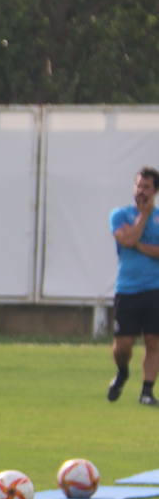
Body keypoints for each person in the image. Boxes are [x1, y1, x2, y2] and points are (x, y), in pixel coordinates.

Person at [106, 167, 159, 405]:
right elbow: (125, 239)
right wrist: (143, 217)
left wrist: (136, 244)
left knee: (153, 341)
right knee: (123, 345)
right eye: (138, 186)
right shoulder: (119, 214)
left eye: (147, 187)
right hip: (127, 289)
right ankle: (123, 372)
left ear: (155, 191)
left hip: (155, 289)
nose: (141, 191)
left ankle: (147, 391)